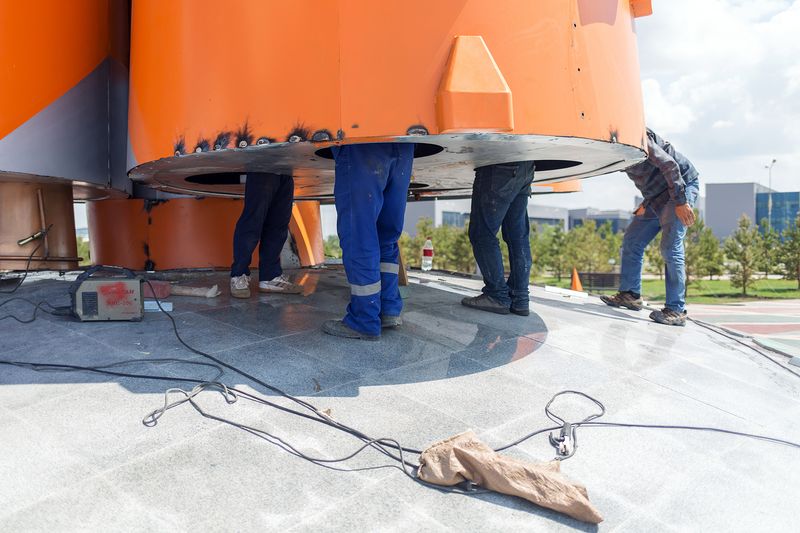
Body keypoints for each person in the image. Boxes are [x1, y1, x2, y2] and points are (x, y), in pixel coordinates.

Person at [601, 127, 699, 326]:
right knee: (632, 240)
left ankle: (676, 309)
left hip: (681, 187)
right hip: (655, 197)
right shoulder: (610, 146)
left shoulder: (634, 134)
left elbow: (670, 166)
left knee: (670, 248)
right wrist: (646, 203)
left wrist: (680, 202)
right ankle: (630, 294)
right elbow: (646, 177)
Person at [322, 143, 415, 340]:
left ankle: (363, 320)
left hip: (362, 141)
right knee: (387, 236)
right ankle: (389, 308)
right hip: (404, 144)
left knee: (359, 235)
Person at [461, 161, 536, 316]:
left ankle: (497, 296)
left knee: (482, 234)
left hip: (499, 165)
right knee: (518, 236)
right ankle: (520, 299)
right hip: (525, 167)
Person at [230, 172, 302, 298]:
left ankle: (270, 277)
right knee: (253, 221)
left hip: (285, 167)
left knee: (279, 223)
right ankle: (238, 275)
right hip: (262, 166)